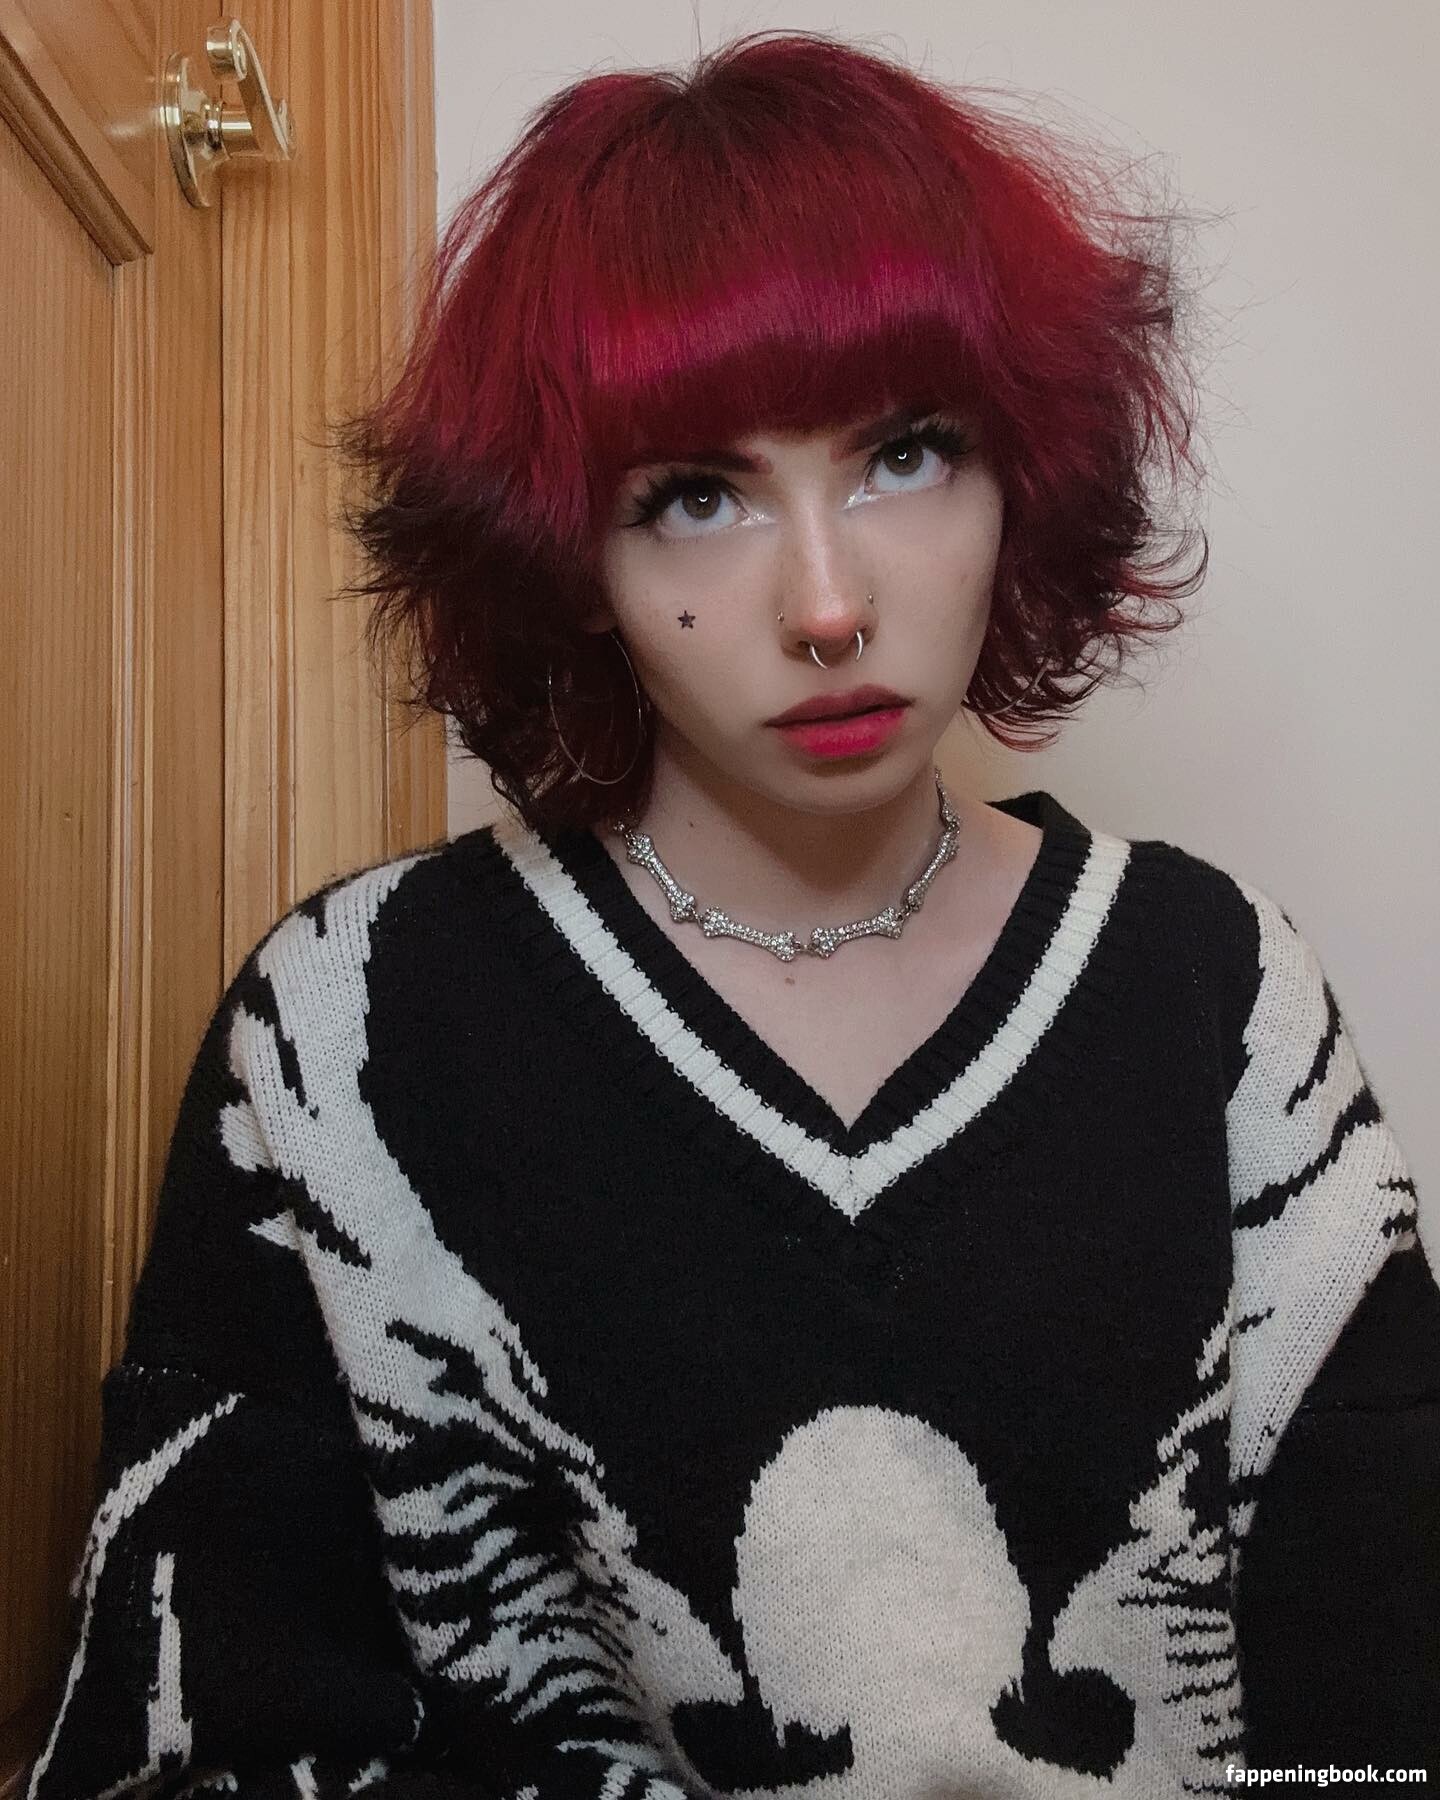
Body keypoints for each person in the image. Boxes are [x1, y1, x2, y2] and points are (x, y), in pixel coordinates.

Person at [25, 29, 1438, 1800]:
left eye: (907, 453)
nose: (827, 603)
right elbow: (201, 1731)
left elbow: (1382, 1688)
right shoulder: (349, 1025)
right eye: (695, 496)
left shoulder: (1215, 990)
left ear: (1021, 471)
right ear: (569, 552)